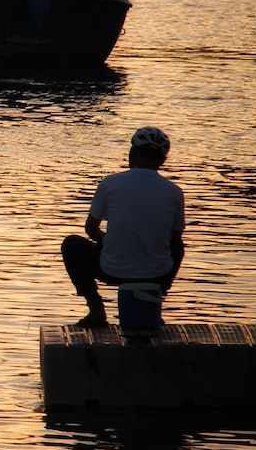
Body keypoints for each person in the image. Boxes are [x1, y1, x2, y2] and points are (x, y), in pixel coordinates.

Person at [61, 126, 185, 328]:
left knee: (72, 245)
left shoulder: (110, 183)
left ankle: (96, 310)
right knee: (178, 247)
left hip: (111, 269)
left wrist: (109, 241)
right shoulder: (174, 191)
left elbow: (91, 228)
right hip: (155, 273)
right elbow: (174, 237)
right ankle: (155, 302)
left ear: (132, 153)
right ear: (162, 161)